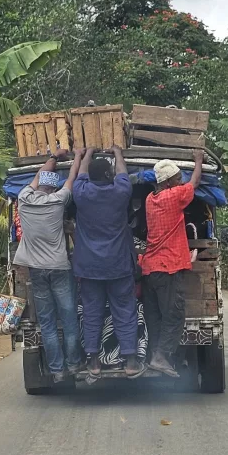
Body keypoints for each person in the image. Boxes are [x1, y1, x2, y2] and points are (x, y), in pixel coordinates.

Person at [72, 146, 145, 379]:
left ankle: (93, 362)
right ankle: (131, 361)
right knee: (125, 311)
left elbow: (80, 175)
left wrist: (87, 154)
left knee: (92, 313)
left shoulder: (81, 194)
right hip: (118, 266)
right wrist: (118, 154)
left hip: (90, 267)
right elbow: (122, 174)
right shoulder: (120, 193)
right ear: (108, 175)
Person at [13, 150, 83, 383]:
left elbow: (37, 179)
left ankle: (57, 370)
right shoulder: (57, 201)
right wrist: (80, 156)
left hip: (36, 270)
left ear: (39, 186)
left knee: (48, 323)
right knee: (70, 319)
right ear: (53, 188)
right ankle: (73, 365)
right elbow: (72, 179)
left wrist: (52, 158)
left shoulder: (23, 199)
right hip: (60, 269)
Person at [141, 149, 204, 377]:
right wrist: (197, 161)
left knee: (156, 317)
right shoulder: (174, 197)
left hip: (150, 269)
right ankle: (161, 357)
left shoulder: (150, 199)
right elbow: (194, 183)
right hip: (168, 268)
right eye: (177, 180)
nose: (181, 182)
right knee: (175, 315)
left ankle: (154, 358)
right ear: (168, 183)